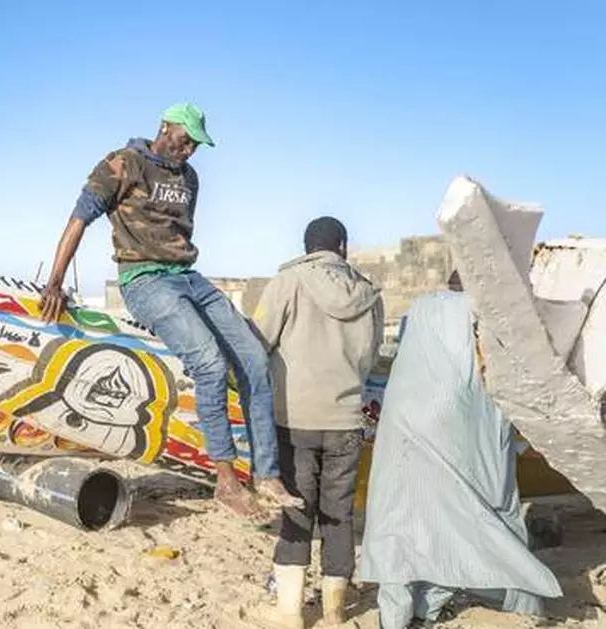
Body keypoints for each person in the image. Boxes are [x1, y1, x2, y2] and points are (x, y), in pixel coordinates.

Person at [38, 103, 298, 517]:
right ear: (164, 127)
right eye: (185, 139)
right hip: (144, 279)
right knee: (209, 363)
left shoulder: (189, 178)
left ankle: (266, 475)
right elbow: (77, 221)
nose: (190, 150)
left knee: (253, 357)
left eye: (196, 144)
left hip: (188, 277)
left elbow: (175, 237)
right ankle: (227, 482)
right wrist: (54, 282)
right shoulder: (123, 164)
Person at [359, 273, 562, 629]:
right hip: (460, 431)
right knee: (461, 519)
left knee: (400, 521)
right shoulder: (485, 317)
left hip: (404, 425)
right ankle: (476, 598)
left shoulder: (420, 310)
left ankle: (396, 617)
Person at [251, 217, 384, 628]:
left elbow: (258, 342)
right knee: (338, 515)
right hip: (345, 420)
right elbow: (371, 359)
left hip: (295, 418)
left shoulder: (287, 283)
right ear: (342, 245)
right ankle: (333, 612)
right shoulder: (368, 294)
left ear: (307, 246)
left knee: (295, 510)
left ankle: (290, 612)